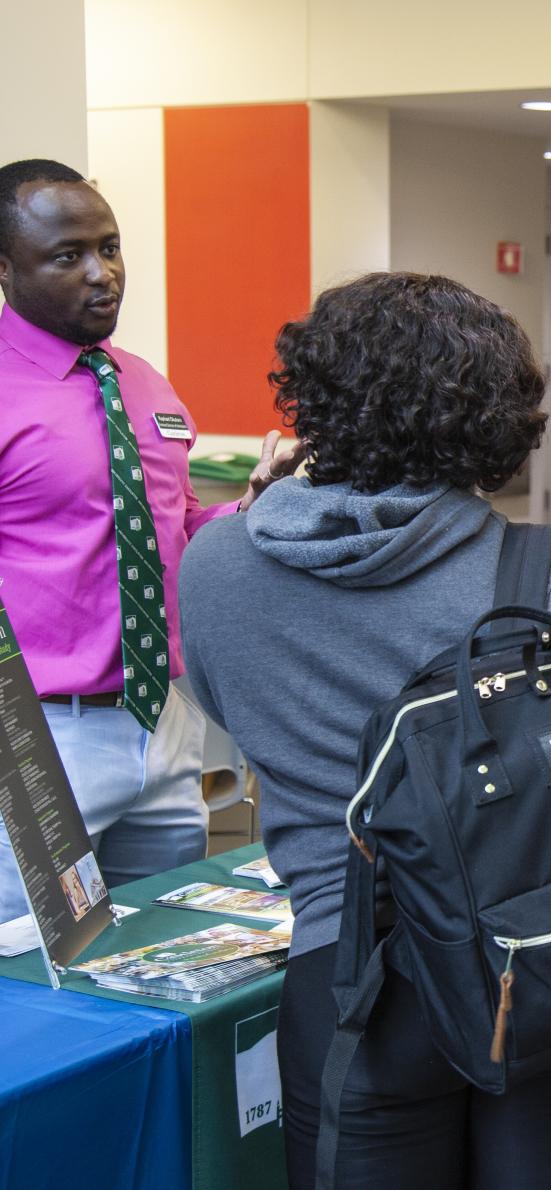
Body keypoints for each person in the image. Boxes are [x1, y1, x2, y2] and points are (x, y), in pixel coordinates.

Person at [178, 271, 551, 1190]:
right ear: (494, 415)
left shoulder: (216, 566)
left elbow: (228, 715)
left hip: (352, 979)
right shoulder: (547, 572)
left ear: (316, 395)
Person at [0, 158, 301, 922]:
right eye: (68, 256)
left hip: (162, 720)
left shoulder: (140, 380)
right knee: (30, 975)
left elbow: (178, 526)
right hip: (38, 732)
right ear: (5, 268)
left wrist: (256, 505)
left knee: (157, 952)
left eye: (110, 247)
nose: (103, 274)